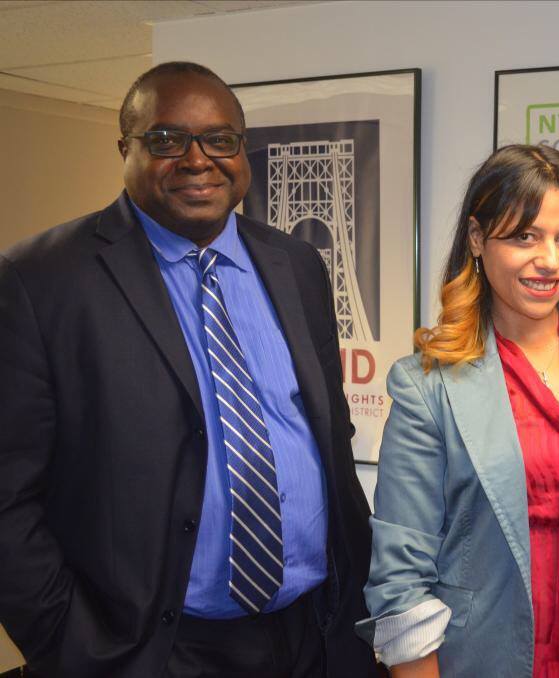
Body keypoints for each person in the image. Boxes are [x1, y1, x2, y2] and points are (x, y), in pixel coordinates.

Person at [0, 61, 376, 677]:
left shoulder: (297, 264)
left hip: (317, 633)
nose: (197, 160)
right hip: (154, 650)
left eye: (219, 139)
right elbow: (9, 497)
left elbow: (328, 435)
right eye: (166, 140)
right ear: (125, 150)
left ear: (242, 149)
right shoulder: (41, 281)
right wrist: (70, 643)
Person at [358, 144, 559, 677]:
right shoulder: (428, 386)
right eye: (524, 237)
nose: (550, 261)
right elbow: (402, 582)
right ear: (476, 239)